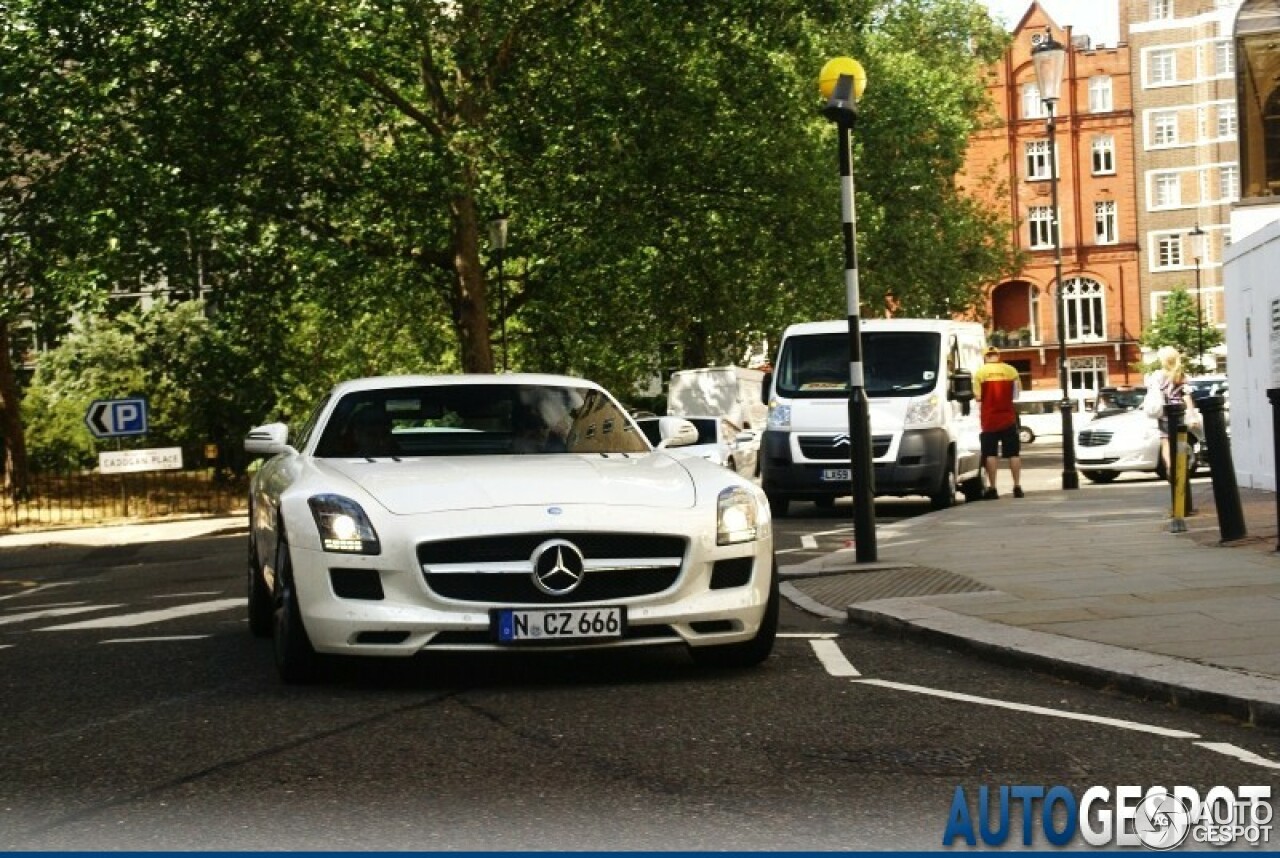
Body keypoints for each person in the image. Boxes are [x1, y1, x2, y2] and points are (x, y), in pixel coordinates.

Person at [973, 345, 1023, 499]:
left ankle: (993, 488)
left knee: (990, 454)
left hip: (989, 420)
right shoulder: (1011, 371)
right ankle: (1017, 487)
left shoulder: (980, 373)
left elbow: (978, 397)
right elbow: (1017, 394)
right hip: (1008, 418)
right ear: (998, 356)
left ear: (986, 357)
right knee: (1013, 454)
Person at [1148, 345, 1195, 481]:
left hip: (1164, 413)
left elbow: (1153, 393)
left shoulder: (1158, 375)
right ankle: (1180, 466)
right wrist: (1191, 415)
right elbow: (1187, 396)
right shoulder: (1181, 376)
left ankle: (1170, 467)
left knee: (1165, 441)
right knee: (1180, 440)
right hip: (1179, 412)